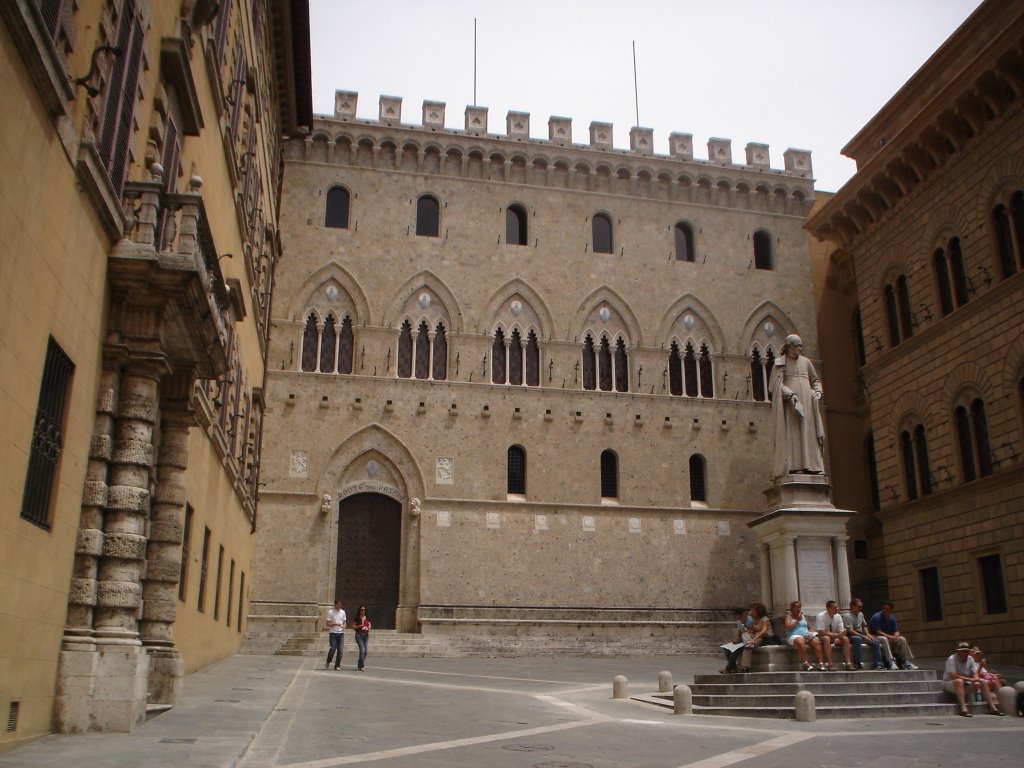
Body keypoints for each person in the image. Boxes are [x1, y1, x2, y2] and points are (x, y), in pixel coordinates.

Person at [770, 334, 825, 478]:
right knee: (793, 435)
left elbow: (815, 380)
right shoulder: (780, 363)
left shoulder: (806, 362)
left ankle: (812, 466)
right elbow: (775, 386)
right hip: (791, 407)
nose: (799, 349)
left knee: (809, 433)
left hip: (807, 404)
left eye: (801, 346)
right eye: (796, 346)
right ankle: (795, 467)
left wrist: (818, 391)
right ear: (789, 346)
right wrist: (790, 394)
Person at [944, 641, 1004, 716]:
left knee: (982, 681)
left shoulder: (970, 659)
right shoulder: (952, 659)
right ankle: (963, 708)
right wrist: (969, 679)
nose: (965, 653)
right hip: (951, 683)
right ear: (958, 652)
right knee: (959, 681)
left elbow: (974, 673)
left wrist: (976, 679)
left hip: (966, 683)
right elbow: (953, 675)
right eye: (963, 651)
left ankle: (993, 708)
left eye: (966, 651)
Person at [868, 602, 917, 670]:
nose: (885, 611)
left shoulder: (892, 618)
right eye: (884, 609)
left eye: (887, 609)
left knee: (902, 639)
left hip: (888, 637)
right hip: (875, 636)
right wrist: (890, 637)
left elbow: (896, 631)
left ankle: (906, 662)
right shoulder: (876, 617)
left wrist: (895, 636)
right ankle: (891, 662)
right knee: (884, 638)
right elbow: (878, 632)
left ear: (890, 611)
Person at [784, 600, 826, 671]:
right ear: (792, 608)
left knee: (816, 641)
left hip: (805, 634)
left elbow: (809, 627)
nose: (798, 609)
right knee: (800, 640)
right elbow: (788, 626)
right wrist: (797, 620)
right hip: (794, 635)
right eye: (796, 607)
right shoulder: (789, 617)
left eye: (799, 607)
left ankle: (820, 663)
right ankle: (805, 663)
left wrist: (812, 633)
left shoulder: (803, 616)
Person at [842, 597, 883, 670]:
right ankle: (857, 663)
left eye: (861, 607)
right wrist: (862, 636)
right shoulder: (847, 616)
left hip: (861, 635)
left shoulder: (861, 614)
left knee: (875, 641)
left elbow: (864, 626)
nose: (860, 608)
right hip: (851, 636)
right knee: (857, 639)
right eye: (859, 607)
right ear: (852, 606)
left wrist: (868, 634)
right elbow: (850, 630)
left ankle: (877, 663)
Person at [815, 600, 854, 670]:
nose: (837, 609)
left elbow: (841, 630)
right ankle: (830, 664)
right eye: (835, 608)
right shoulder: (820, 616)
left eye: (837, 607)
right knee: (826, 638)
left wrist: (842, 633)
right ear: (828, 608)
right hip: (823, 637)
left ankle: (848, 663)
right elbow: (821, 632)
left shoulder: (838, 616)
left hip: (835, 637)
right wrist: (837, 635)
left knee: (845, 639)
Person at [738, 601, 771, 672]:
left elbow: (764, 630)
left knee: (748, 645)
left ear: (758, 611)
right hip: (754, 636)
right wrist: (746, 630)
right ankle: (749, 643)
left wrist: (754, 639)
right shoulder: (754, 619)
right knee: (745, 635)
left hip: (762, 637)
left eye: (753, 610)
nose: (751, 611)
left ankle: (745, 666)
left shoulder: (764, 619)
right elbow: (753, 631)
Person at [720, 607, 752, 673]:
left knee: (734, 651)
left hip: (749, 640)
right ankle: (733, 668)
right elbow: (739, 635)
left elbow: (751, 631)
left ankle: (727, 668)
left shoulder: (750, 620)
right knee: (727, 648)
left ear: (743, 614)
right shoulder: (739, 622)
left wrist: (744, 623)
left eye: (739, 617)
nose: (739, 619)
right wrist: (735, 640)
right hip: (742, 640)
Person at [325, 599, 346, 670]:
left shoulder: (343, 612)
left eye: (340, 604)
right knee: (333, 648)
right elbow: (327, 624)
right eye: (338, 604)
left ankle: (337, 665)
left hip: (340, 633)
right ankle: (328, 660)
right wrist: (335, 624)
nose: (340, 606)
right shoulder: (330, 612)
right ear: (335, 604)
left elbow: (344, 622)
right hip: (333, 633)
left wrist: (344, 627)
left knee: (340, 650)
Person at [353, 606, 371, 671]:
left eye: (364, 610)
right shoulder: (357, 618)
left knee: (366, 652)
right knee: (362, 650)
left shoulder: (367, 618)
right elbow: (353, 627)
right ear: (359, 611)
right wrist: (359, 626)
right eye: (362, 610)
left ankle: (360, 662)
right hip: (359, 635)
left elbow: (369, 625)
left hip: (366, 636)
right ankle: (362, 666)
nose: (363, 611)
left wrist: (369, 627)